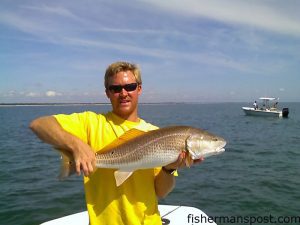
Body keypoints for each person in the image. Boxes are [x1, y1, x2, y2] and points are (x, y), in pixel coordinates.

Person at [30, 61, 202, 225]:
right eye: (115, 88)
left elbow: (161, 192)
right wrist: (76, 145)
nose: (124, 93)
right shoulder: (91, 122)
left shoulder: (155, 134)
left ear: (139, 89)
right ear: (107, 93)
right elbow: (39, 124)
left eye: (130, 87)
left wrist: (169, 168)